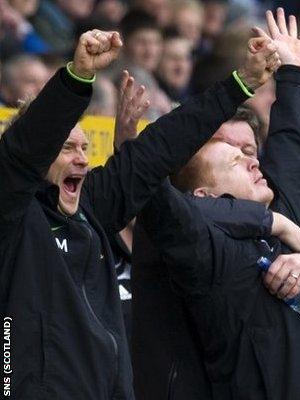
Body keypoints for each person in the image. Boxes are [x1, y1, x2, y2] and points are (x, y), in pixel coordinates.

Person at [0, 25, 278, 399]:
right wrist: (77, 77)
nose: (82, 159)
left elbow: (158, 149)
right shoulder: (12, 213)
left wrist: (239, 84)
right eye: (67, 147)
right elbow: (25, 148)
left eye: (84, 148)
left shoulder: (90, 209)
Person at [132, 9, 300, 400]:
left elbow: (292, 150)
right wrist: (274, 224)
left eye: (251, 151)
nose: (254, 160)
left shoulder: (279, 212)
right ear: (203, 194)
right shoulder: (204, 245)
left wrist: (293, 72)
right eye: (234, 158)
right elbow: (160, 200)